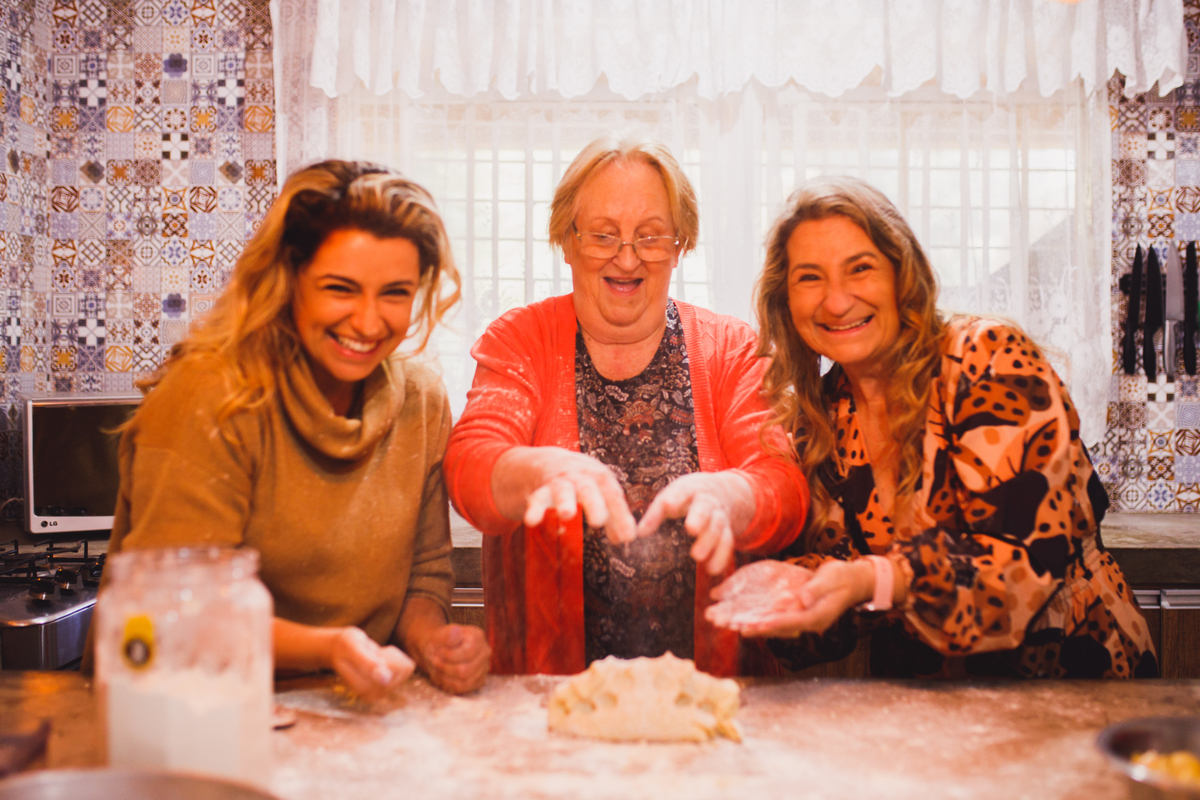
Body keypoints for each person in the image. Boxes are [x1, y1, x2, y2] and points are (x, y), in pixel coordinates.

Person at [707, 176, 1158, 679]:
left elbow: (1019, 569)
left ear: (903, 275)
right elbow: (838, 599)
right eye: (810, 278)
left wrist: (871, 578)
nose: (836, 301)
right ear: (785, 303)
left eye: (860, 269)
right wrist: (780, 591)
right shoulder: (821, 420)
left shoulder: (986, 359)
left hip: (1072, 672)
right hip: (929, 696)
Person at [99, 160, 490, 697]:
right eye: (341, 288)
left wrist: (433, 642)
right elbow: (174, 612)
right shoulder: (211, 395)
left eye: (395, 293)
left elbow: (423, 575)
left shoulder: (419, 402)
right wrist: (329, 648)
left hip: (347, 712)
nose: (369, 322)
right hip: (186, 713)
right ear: (289, 279)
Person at [444, 134, 808, 677]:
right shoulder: (522, 339)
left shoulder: (730, 347)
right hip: (551, 694)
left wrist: (733, 493)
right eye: (603, 236)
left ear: (680, 245)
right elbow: (470, 469)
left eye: (651, 237)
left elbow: (784, 484)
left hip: (710, 692)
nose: (627, 257)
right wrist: (536, 469)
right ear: (566, 241)